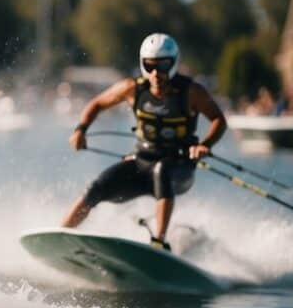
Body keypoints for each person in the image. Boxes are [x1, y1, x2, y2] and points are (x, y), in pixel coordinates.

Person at [61, 33, 227, 251]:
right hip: (141, 164)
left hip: (179, 169)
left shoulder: (191, 92)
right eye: (150, 66)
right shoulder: (133, 88)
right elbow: (97, 104)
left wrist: (205, 145)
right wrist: (80, 130)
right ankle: (62, 234)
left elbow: (218, 120)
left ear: (174, 63)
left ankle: (159, 241)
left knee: (162, 170)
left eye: (164, 66)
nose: (157, 73)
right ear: (143, 65)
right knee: (95, 188)